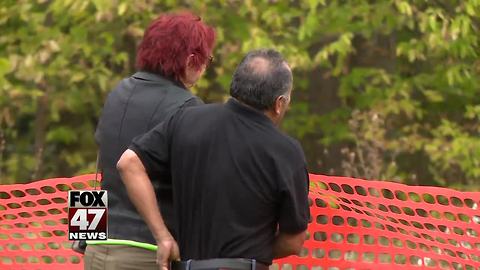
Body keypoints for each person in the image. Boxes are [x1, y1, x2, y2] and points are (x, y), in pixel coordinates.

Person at [117, 49, 310, 270]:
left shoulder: (184, 119)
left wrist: (162, 237)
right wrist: (252, 255)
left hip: (114, 249)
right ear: (279, 103)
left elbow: (127, 163)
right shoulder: (286, 152)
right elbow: (293, 241)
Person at [83, 11, 216, 270]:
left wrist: (84, 234)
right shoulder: (188, 107)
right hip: (150, 254)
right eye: (206, 59)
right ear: (191, 60)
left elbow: (101, 170)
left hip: (97, 250)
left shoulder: (118, 92)